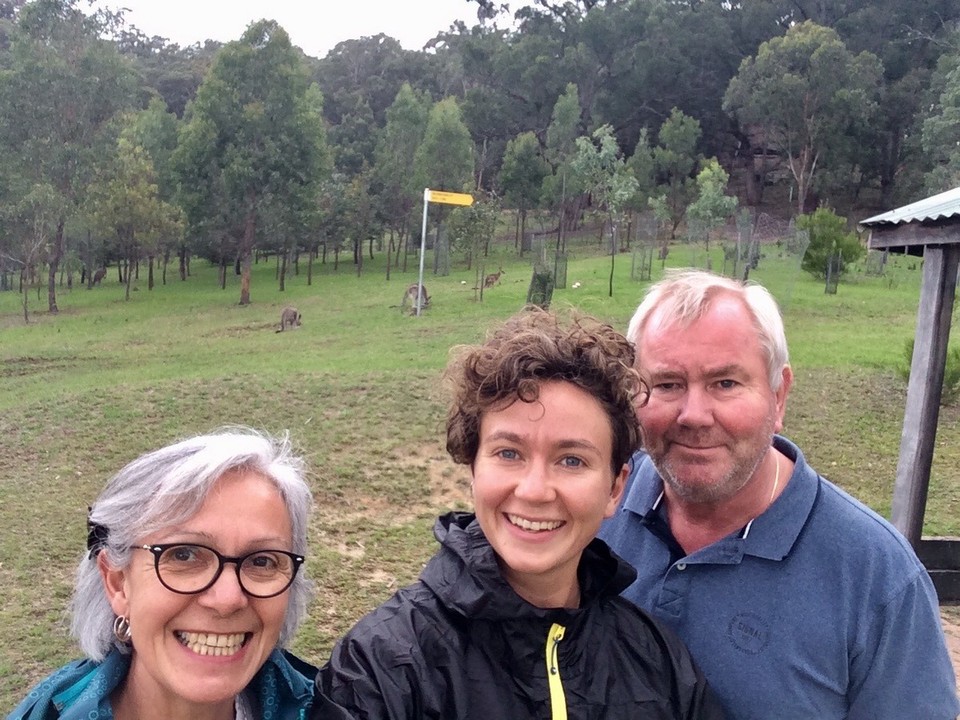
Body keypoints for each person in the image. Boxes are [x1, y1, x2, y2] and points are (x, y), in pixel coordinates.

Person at [315, 306, 725, 719]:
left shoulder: (659, 662)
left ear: (615, 488)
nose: (533, 491)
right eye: (508, 453)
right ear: (473, 468)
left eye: (571, 460)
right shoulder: (380, 669)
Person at [599, 268, 960, 720]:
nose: (694, 415)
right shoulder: (595, 506)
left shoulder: (877, 577)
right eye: (668, 384)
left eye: (725, 383)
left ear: (779, 396)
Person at [8, 427, 351, 720]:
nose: (227, 599)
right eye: (184, 555)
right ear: (117, 583)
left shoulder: (333, 711)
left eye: (262, 561)